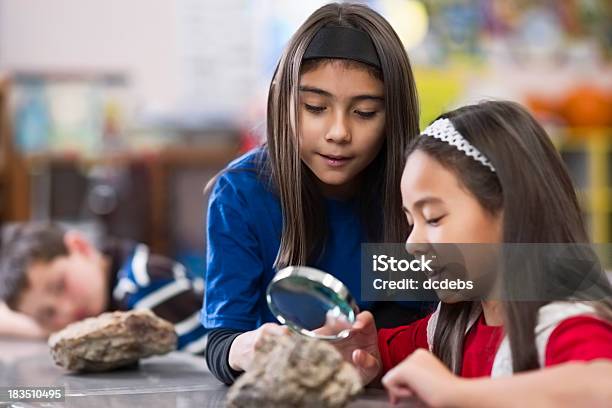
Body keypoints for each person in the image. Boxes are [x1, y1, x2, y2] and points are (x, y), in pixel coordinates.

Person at [202, 2, 428, 385]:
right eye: (315, 107)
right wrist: (250, 348)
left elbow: (465, 314)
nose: (338, 132)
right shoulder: (242, 196)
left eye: (365, 112)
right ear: (282, 101)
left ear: (395, 116)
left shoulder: (420, 192)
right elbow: (223, 342)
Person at [334, 101, 612, 405]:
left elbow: (602, 385)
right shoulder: (451, 327)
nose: (412, 242)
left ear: (511, 209)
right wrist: (364, 355)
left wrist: (456, 394)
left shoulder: (566, 324)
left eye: (434, 217)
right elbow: (379, 357)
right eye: (411, 222)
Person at [0, 222, 208, 354]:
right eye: (48, 313)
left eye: (59, 286)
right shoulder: (114, 267)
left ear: (79, 246)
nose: (65, 310)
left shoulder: (143, 289)